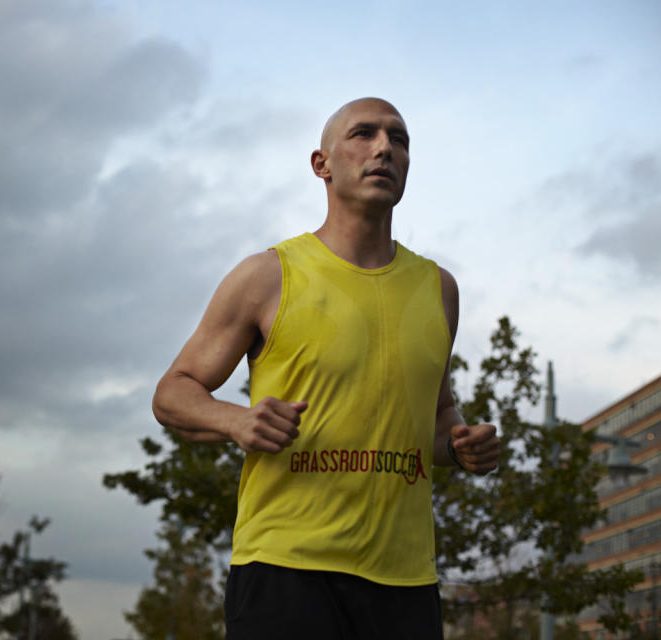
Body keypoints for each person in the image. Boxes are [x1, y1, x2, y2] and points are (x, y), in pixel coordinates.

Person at [152, 97, 501, 639]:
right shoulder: (268, 276)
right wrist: (236, 421)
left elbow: (435, 418)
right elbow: (173, 393)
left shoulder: (439, 289)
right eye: (364, 134)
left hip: (406, 579)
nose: (385, 147)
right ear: (322, 164)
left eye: (399, 140)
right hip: (286, 568)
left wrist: (460, 444)